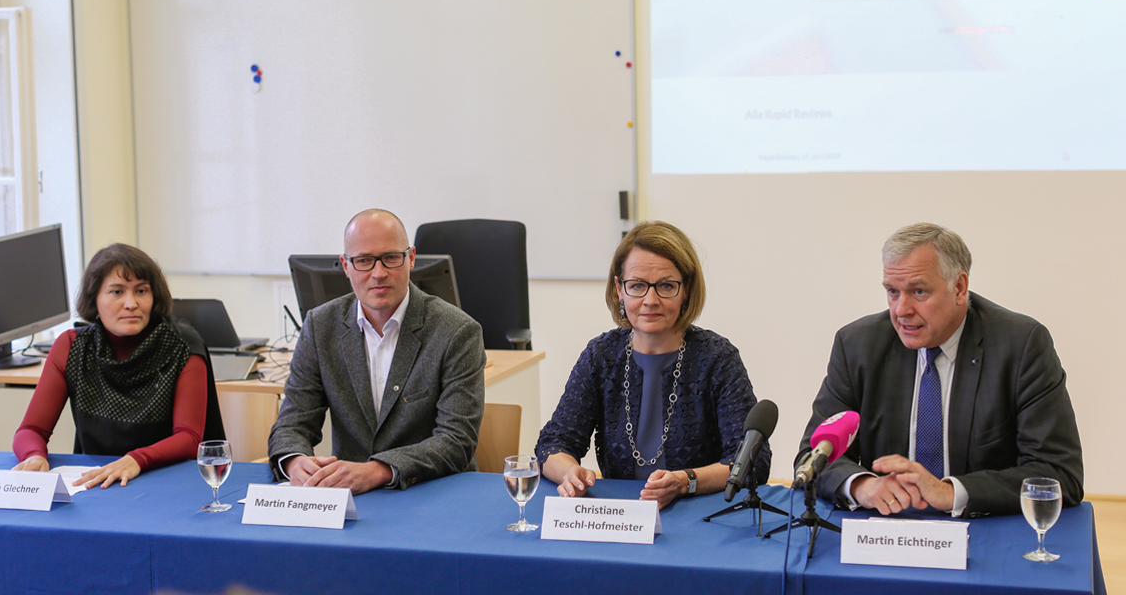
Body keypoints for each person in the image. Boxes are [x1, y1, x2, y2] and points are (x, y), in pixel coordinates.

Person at [799, 222, 1083, 518]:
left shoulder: (1020, 345)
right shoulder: (858, 345)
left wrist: (949, 492)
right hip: (887, 531)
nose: (901, 310)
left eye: (918, 291)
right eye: (893, 292)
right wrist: (861, 485)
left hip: (985, 530)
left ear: (959, 288)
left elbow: (1059, 474)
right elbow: (812, 455)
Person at [536, 221, 769, 509]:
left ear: (686, 290)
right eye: (637, 286)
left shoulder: (717, 358)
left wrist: (685, 481)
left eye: (667, 286)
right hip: (621, 515)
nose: (650, 300)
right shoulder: (602, 355)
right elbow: (553, 444)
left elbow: (752, 461)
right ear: (619, 289)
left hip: (697, 515)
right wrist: (569, 471)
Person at [268, 209, 486, 494]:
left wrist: (377, 471)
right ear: (346, 266)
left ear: (411, 259)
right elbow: (292, 422)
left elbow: (457, 441)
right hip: (351, 498)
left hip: (433, 494)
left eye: (391, 258)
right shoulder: (320, 326)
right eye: (363, 261)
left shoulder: (458, 331)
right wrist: (295, 461)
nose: (379, 273)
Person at [12, 243, 223, 488]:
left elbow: (189, 438)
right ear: (95, 299)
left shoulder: (183, 346)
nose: (131, 303)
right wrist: (34, 455)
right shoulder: (72, 346)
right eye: (117, 292)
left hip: (168, 480)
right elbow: (31, 429)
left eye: (141, 291)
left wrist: (137, 460)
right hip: (97, 483)